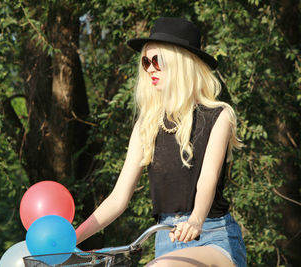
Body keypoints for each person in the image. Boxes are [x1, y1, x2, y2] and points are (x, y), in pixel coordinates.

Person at [75, 17, 247, 267]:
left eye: (157, 61)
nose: (150, 69)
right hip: (167, 241)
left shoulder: (219, 116)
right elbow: (118, 199)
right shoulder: (146, 125)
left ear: (182, 63)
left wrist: (196, 220)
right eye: (146, 62)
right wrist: (73, 239)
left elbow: (207, 179)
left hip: (213, 237)